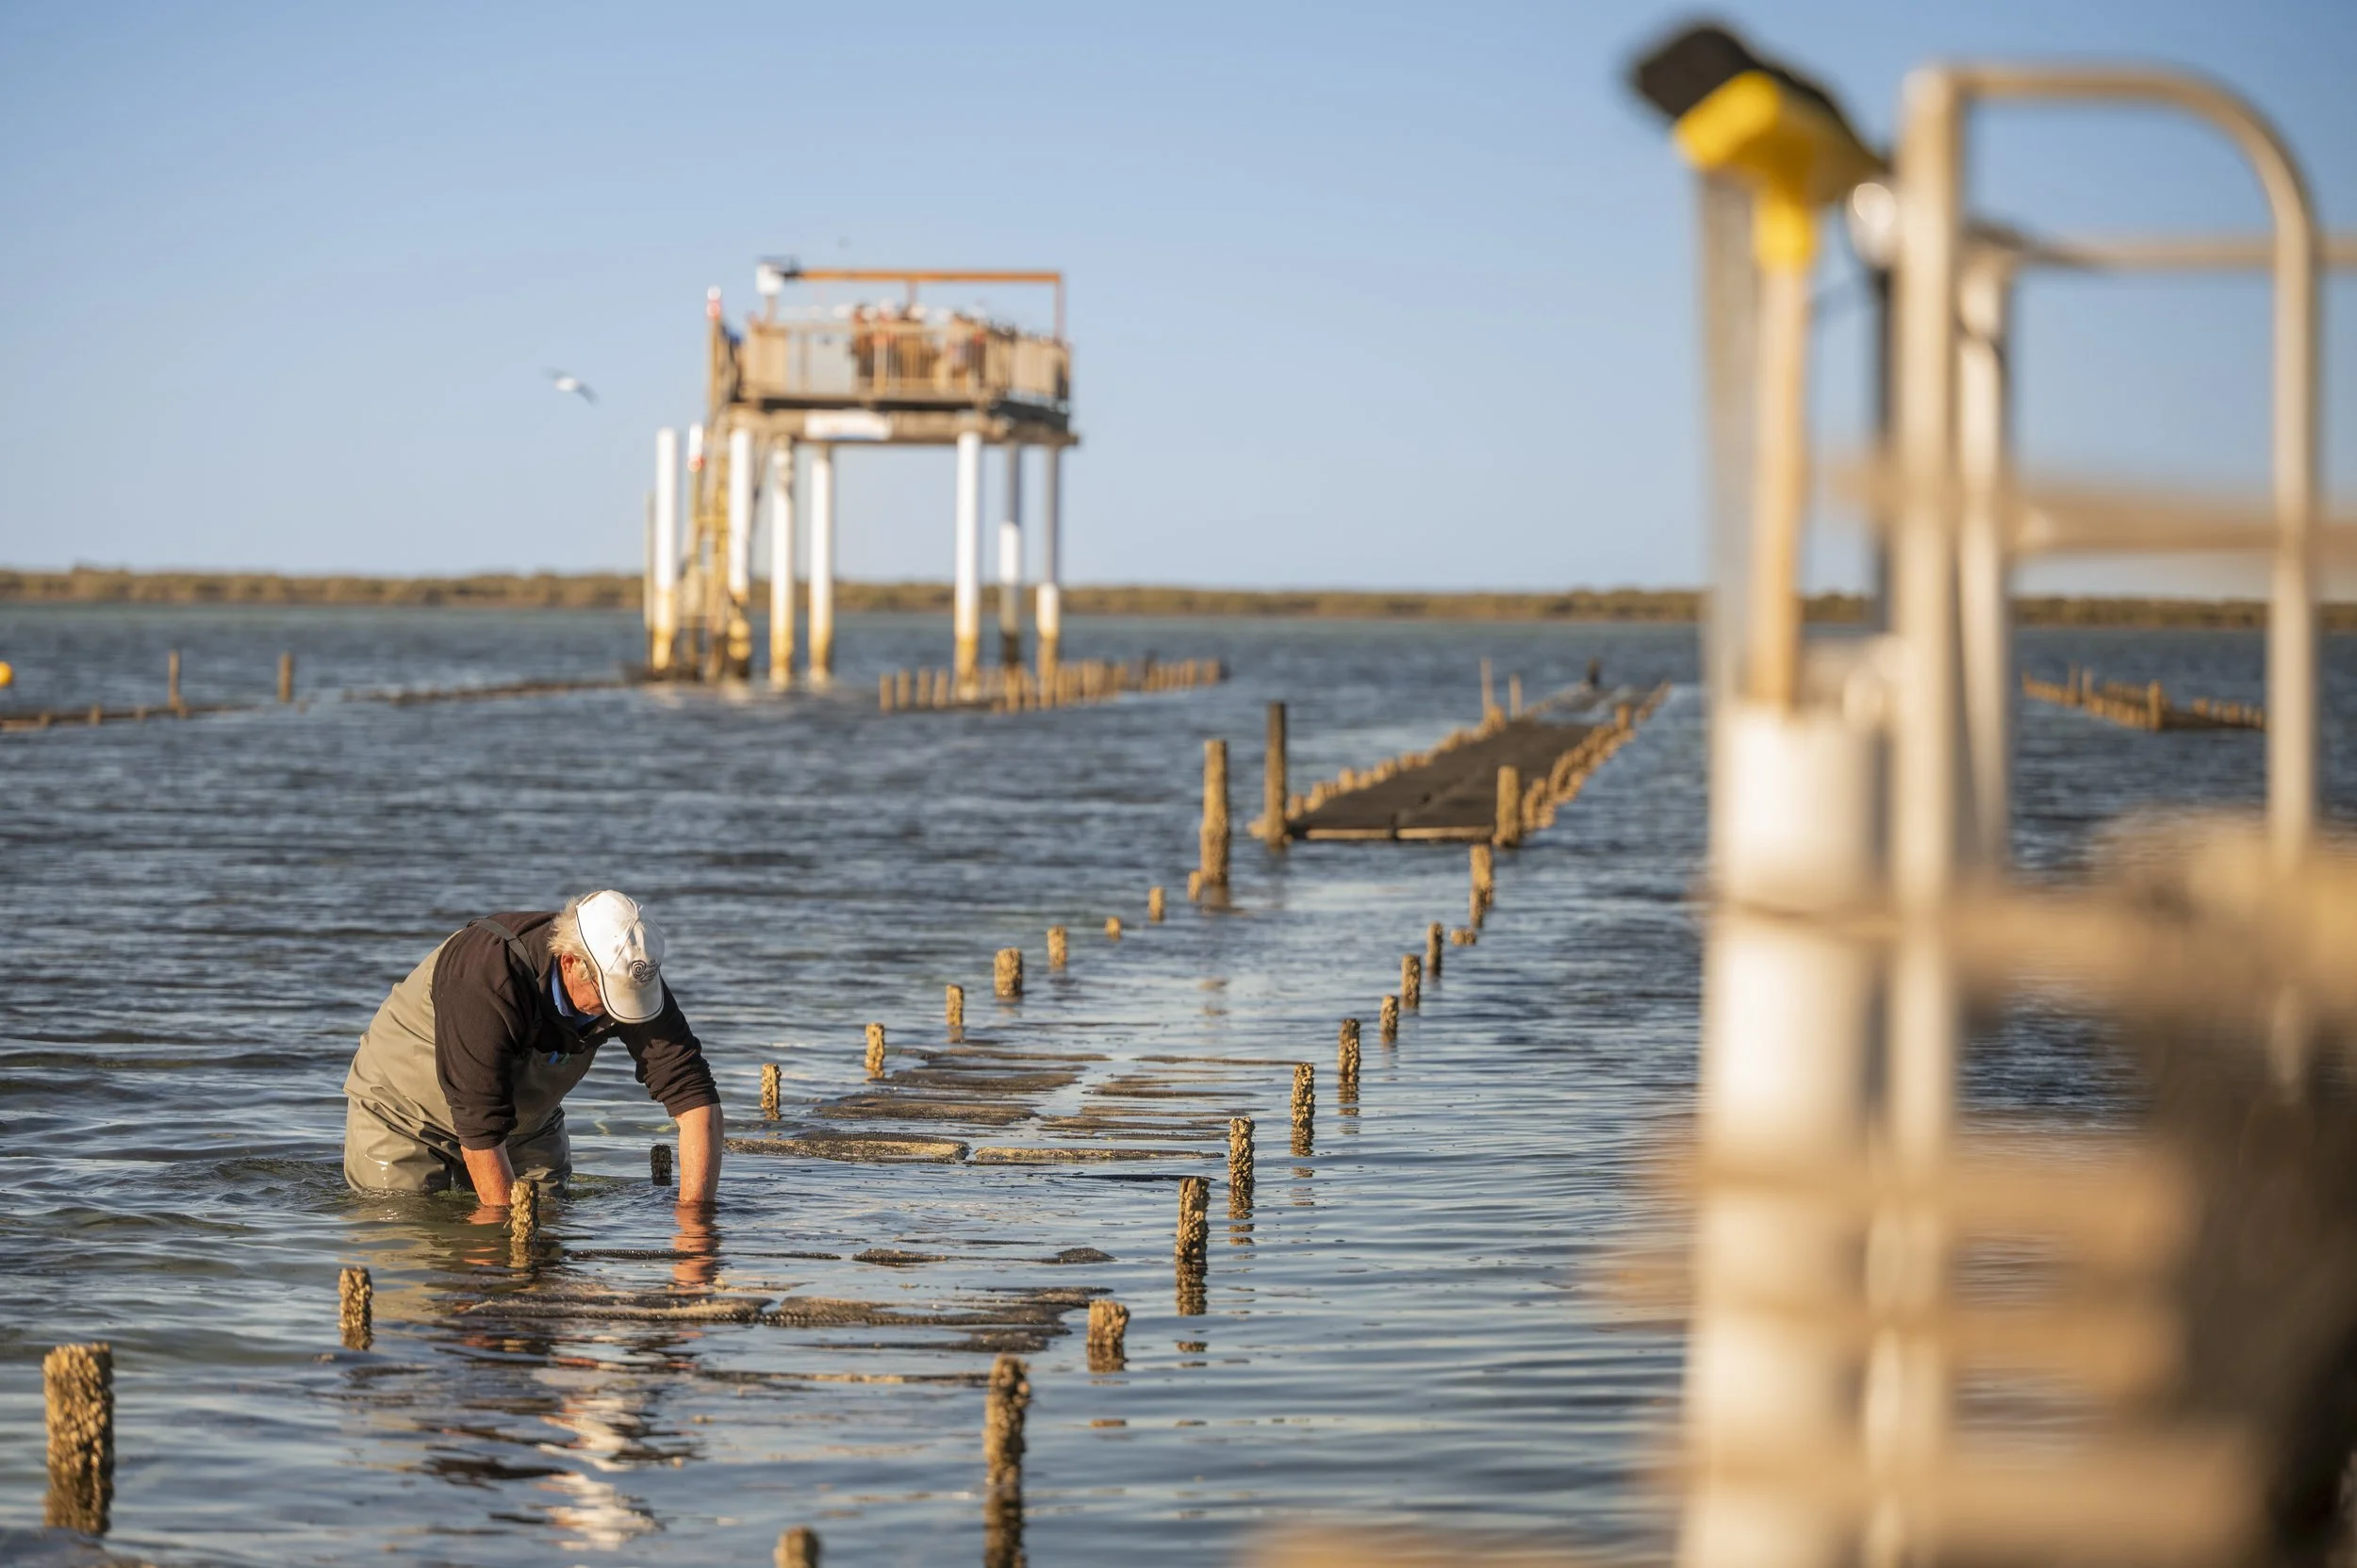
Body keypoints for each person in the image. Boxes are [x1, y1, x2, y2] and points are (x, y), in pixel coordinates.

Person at [342, 891, 722, 1209]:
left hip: (525, 1125)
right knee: (410, 1233)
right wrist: (506, 1242)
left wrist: (695, 1223)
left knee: (550, 1236)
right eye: (608, 997)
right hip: (406, 1115)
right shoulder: (488, 977)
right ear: (571, 963)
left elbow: (694, 1096)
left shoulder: (631, 978)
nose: (618, 1011)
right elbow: (480, 1127)